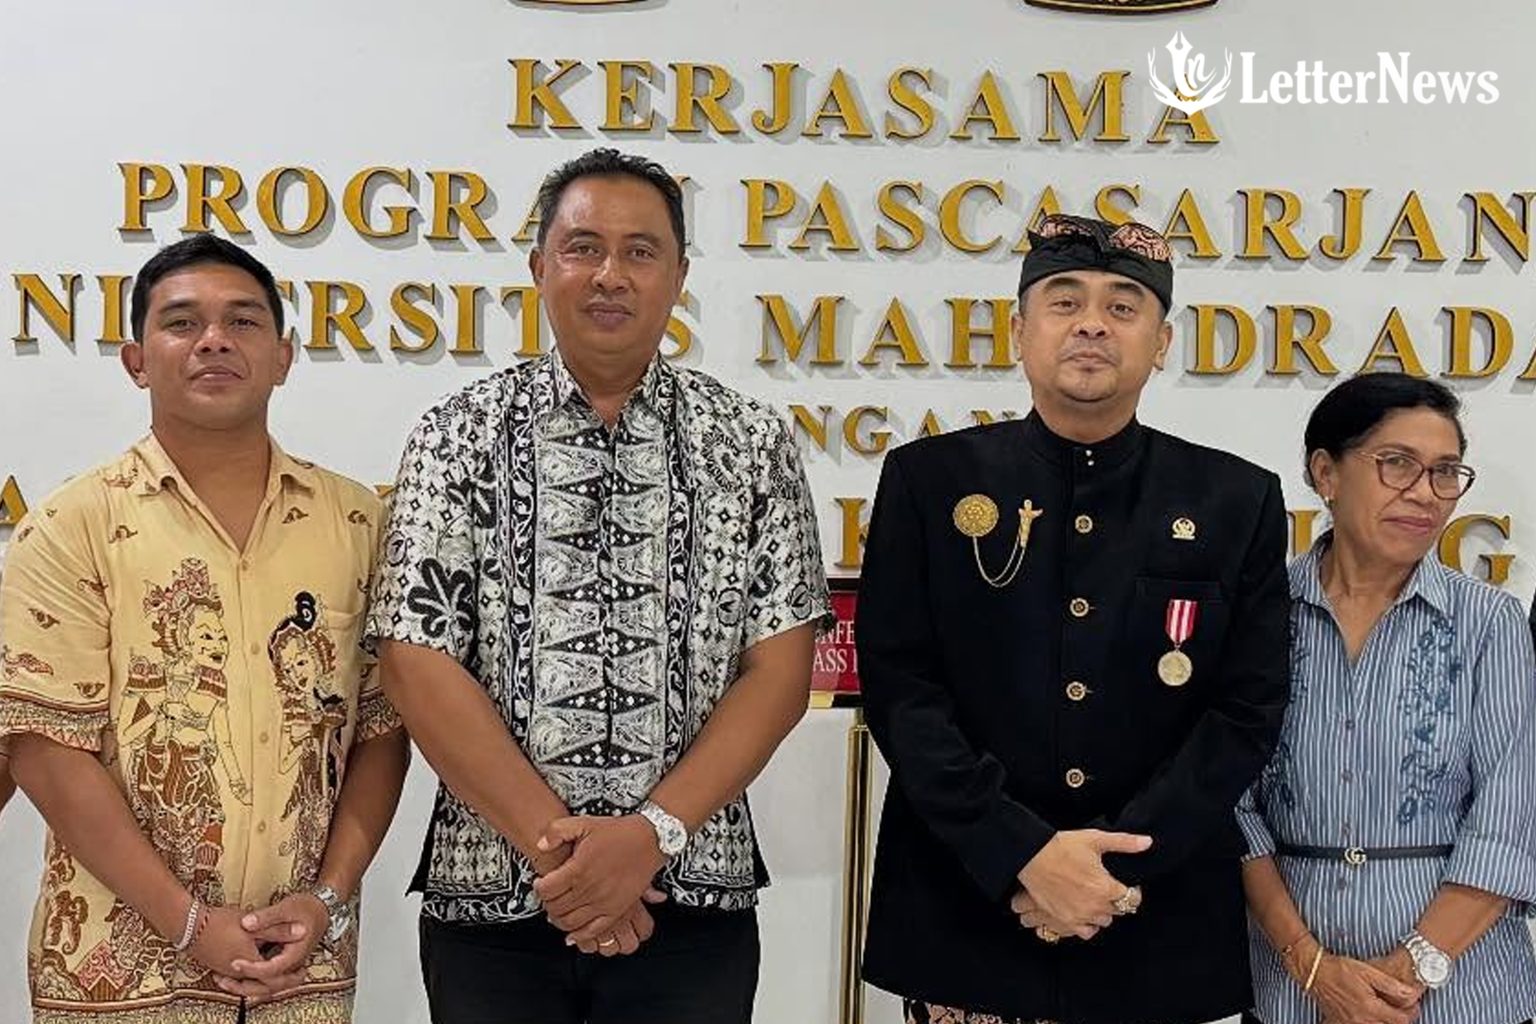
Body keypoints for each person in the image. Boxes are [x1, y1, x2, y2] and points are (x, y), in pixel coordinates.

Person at [364, 147, 831, 1024]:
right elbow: (414, 658)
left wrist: (649, 838)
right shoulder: (456, 434)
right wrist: (567, 858)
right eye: (583, 247)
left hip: (690, 897)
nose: (610, 274)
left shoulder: (750, 441)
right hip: (494, 899)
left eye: (640, 251)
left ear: (679, 276)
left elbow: (779, 670)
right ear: (539, 266)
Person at [856, 214, 1291, 1024]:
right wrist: (1019, 850)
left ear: (1162, 343)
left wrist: (1110, 869)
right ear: (1019, 332)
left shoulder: (1235, 500)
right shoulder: (930, 482)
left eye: (1123, 306)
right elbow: (901, 688)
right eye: (1064, 301)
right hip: (969, 912)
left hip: (1154, 925)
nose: (1092, 323)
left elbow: (1245, 709)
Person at [0, 234, 410, 1022]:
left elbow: (382, 728)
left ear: (284, 357)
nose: (215, 340)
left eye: (243, 321)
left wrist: (326, 901)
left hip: (300, 968)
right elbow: (45, 749)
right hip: (118, 977)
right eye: (182, 322)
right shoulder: (71, 526)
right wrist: (188, 924)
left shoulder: (358, 523)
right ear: (136, 360)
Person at [1239, 372, 1536, 1024]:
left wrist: (1405, 974)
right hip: (1292, 993)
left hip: (1464, 996)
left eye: (1445, 472)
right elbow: (1232, 805)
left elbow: (1508, 818)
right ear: (1326, 472)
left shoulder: (1489, 623)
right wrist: (1312, 967)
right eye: (1397, 464)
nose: (1424, 493)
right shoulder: (1257, 615)